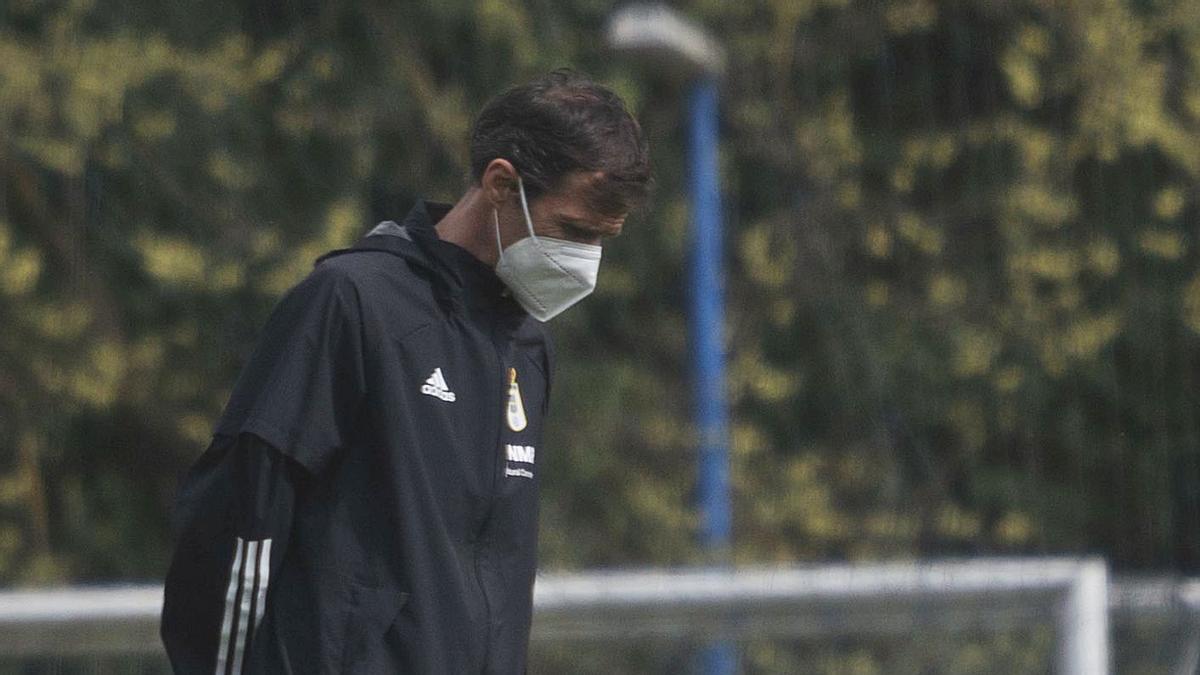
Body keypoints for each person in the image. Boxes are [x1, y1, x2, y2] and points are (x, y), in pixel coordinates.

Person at [160, 69, 651, 674]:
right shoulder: (352, 302)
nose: (584, 261)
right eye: (573, 232)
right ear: (501, 184)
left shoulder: (527, 343)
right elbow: (239, 524)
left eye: (601, 241)